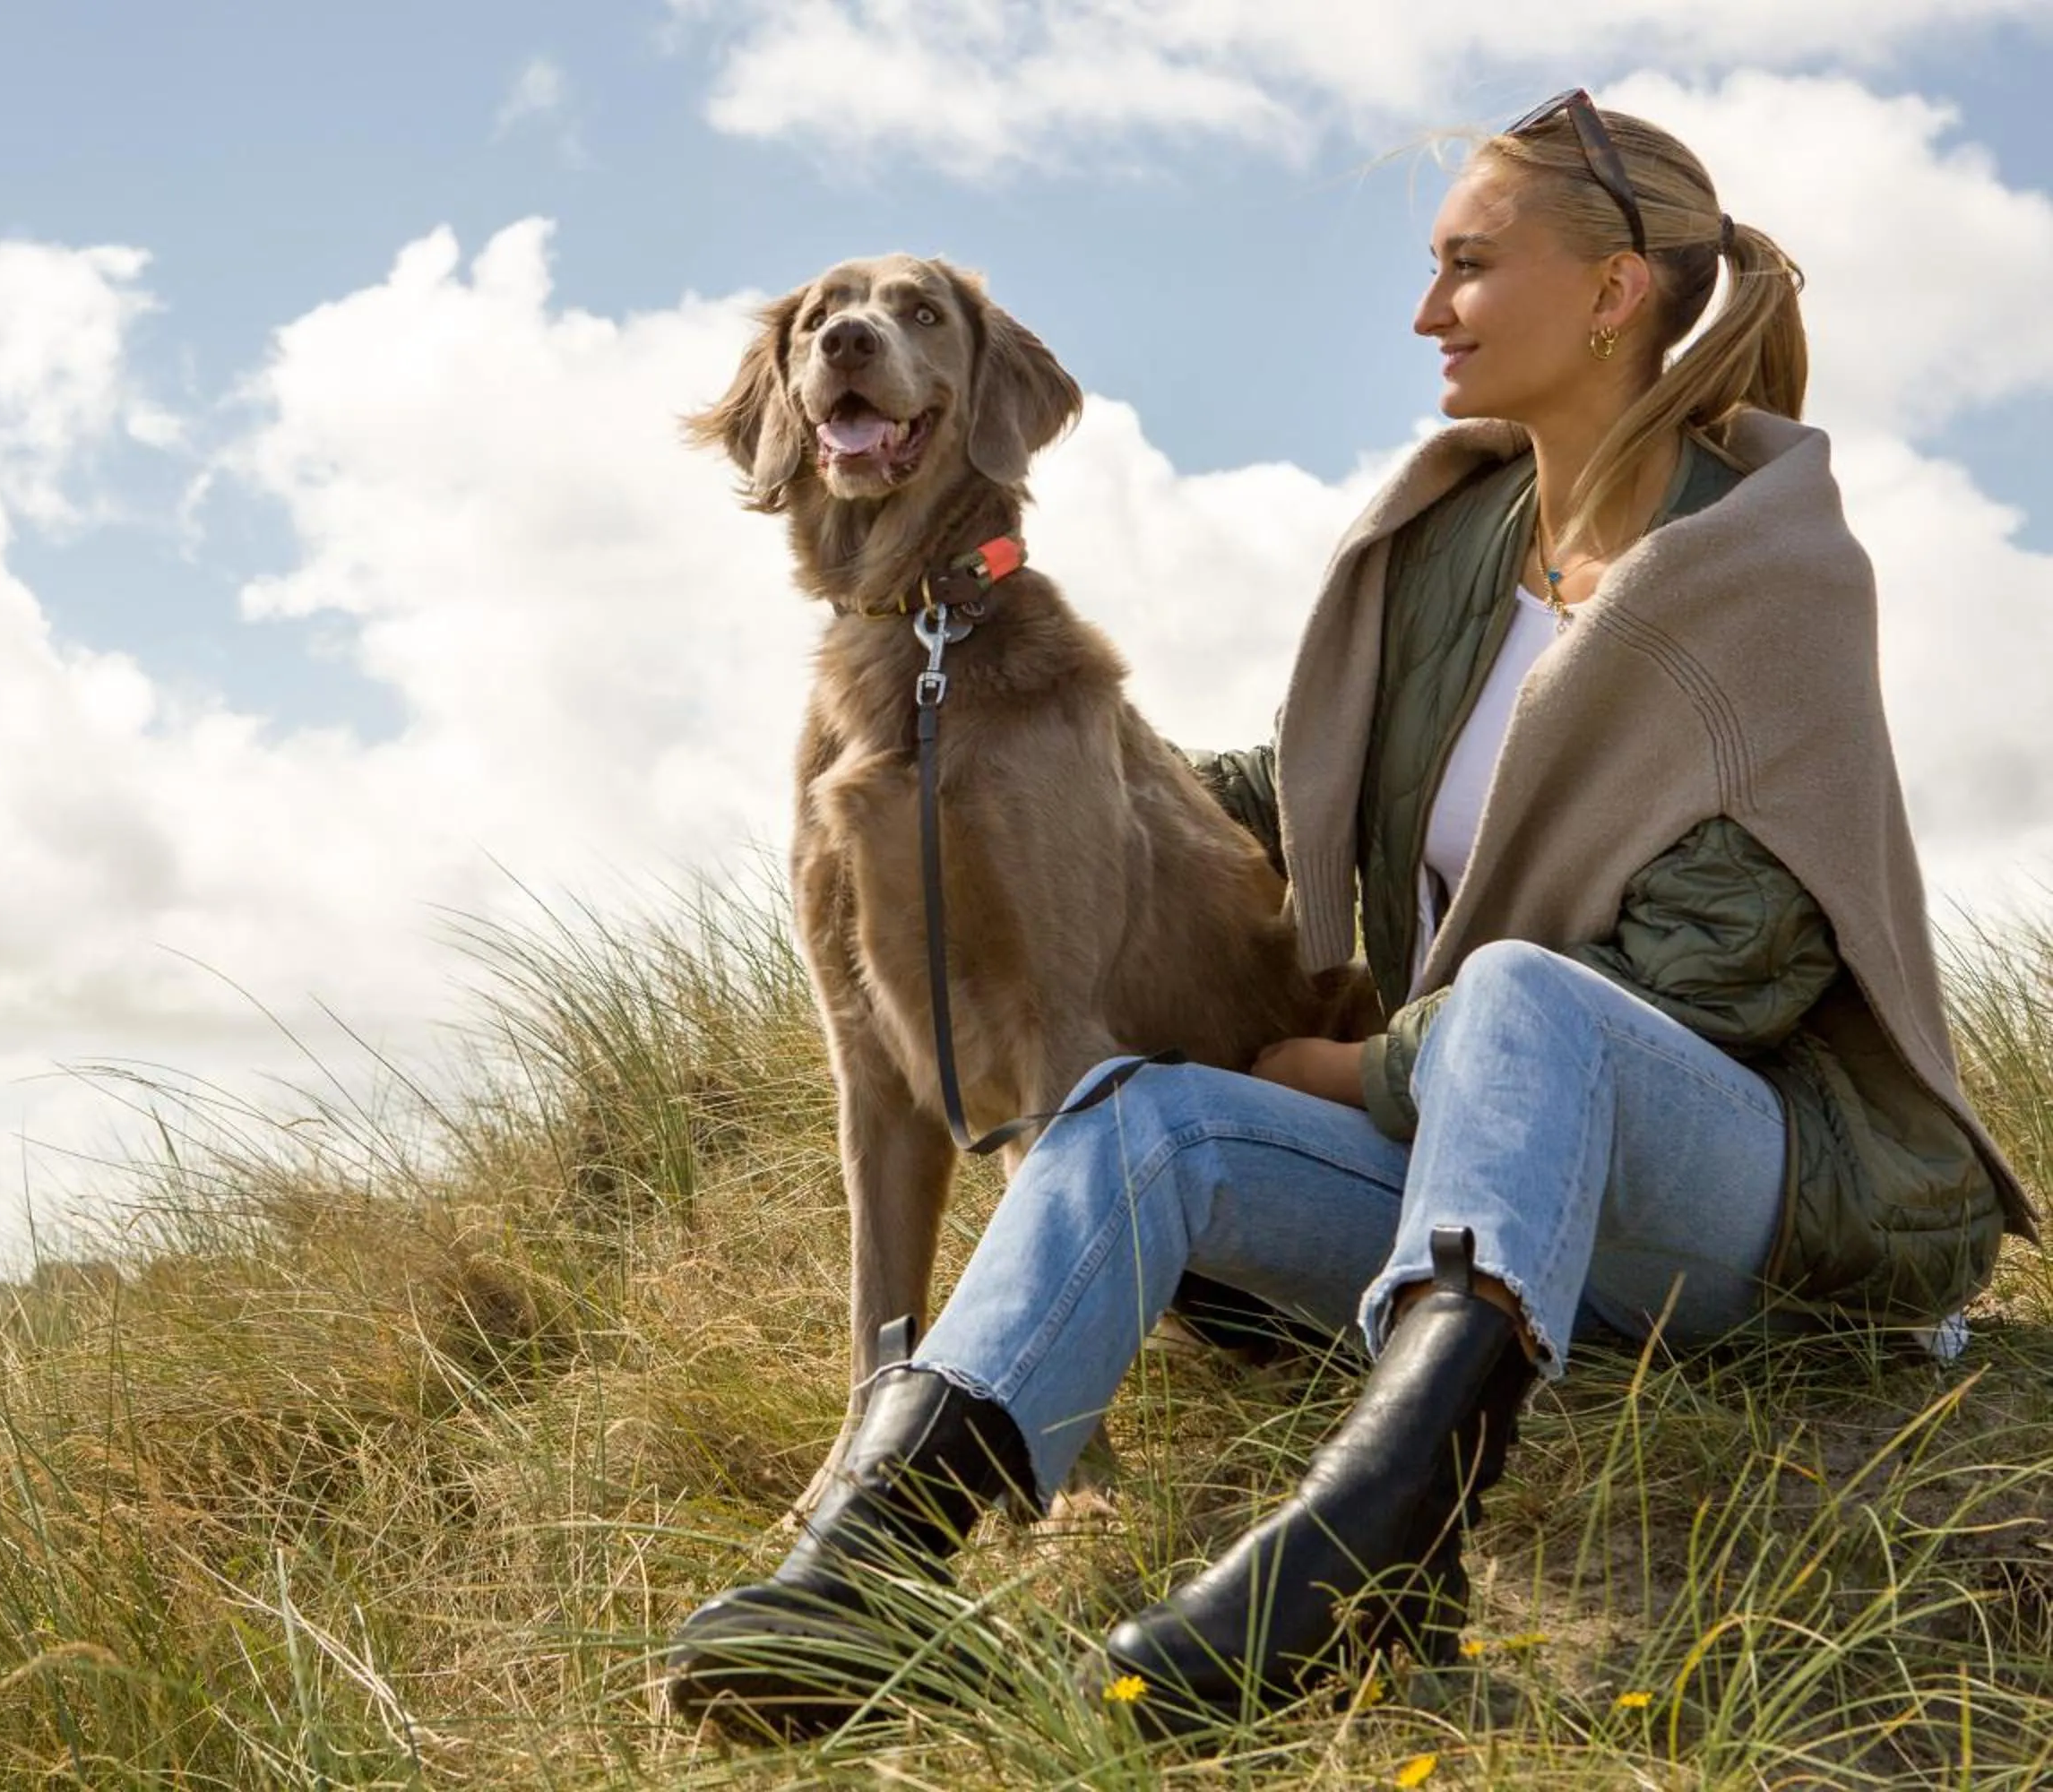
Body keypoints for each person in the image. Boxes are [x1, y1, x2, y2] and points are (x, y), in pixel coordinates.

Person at [662, 90, 2037, 1740]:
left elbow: (1717, 977)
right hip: (1495, 1186)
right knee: (1134, 1119)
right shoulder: (1458, 543)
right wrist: (1070, 758)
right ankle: (867, 1567)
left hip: (1756, 1205)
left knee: (1523, 995)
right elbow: (1309, 791)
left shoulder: (1768, 573)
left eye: (1468, 266)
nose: (1424, 309)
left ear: (1610, 295)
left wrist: (1355, 1075)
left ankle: (1369, 1562)